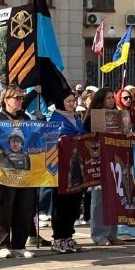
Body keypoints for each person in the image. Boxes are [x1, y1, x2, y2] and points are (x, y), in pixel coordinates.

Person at [0, 85, 37, 258]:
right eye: (17, 98)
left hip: (25, 171)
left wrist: (39, 125)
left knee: (25, 207)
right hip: (5, 171)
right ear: (6, 99)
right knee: (5, 206)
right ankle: (3, 244)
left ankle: (19, 244)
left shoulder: (25, 117)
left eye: (22, 97)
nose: (21, 100)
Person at [83, 88, 124, 246]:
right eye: (108, 98)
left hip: (115, 161)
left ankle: (112, 233)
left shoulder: (119, 116)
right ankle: (100, 235)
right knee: (99, 199)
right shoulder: (94, 116)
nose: (112, 101)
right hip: (99, 161)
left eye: (112, 98)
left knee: (114, 198)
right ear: (101, 100)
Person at [50, 88, 86, 253]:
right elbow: (50, 139)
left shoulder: (77, 118)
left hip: (77, 166)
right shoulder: (56, 118)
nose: (72, 104)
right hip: (61, 168)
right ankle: (59, 237)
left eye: (73, 101)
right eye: (68, 101)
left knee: (74, 202)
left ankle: (69, 235)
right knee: (61, 203)